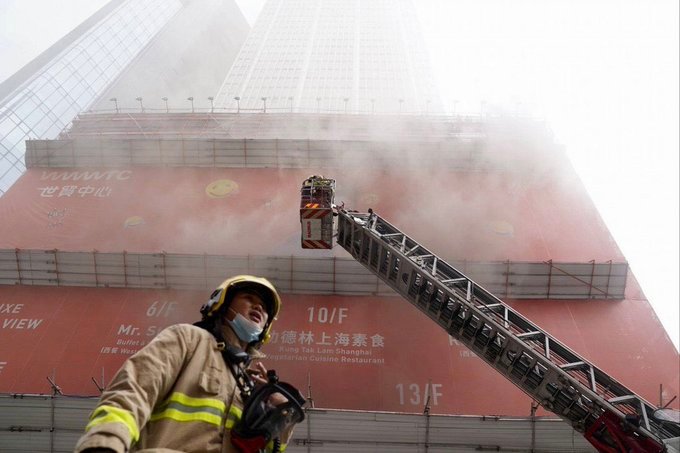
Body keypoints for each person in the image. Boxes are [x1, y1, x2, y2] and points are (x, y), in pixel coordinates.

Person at [75, 275, 305, 453]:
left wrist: (278, 416)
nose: (258, 308)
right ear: (222, 304)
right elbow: (134, 390)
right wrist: (105, 442)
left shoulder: (250, 388)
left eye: (264, 308)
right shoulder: (188, 339)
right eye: (249, 299)